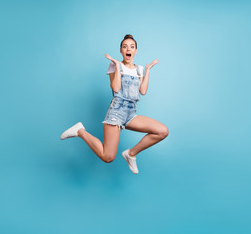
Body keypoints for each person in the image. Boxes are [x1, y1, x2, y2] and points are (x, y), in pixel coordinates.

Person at [60, 34, 169, 174]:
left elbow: (143, 91)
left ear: (136, 50)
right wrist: (117, 66)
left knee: (162, 131)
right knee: (108, 156)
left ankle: (131, 154)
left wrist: (147, 71)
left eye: (131, 47)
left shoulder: (139, 69)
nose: (128, 49)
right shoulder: (115, 65)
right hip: (116, 112)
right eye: (124, 47)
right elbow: (116, 88)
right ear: (121, 51)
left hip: (131, 114)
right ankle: (80, 131)